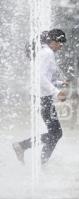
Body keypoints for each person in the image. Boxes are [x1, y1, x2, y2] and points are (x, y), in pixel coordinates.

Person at [12, 29, 67, 165]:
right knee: (56, 133)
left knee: (55, 133)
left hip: (41, 96)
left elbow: (44, 76)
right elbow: (39, 77)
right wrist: (56, 92)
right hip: (41, 97)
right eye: (60, 43)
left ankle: (32, 154)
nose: (61, 46)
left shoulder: (45, 52)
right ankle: (29, 152)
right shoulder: (47, 53)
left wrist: (59, 83)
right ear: (53, 41)